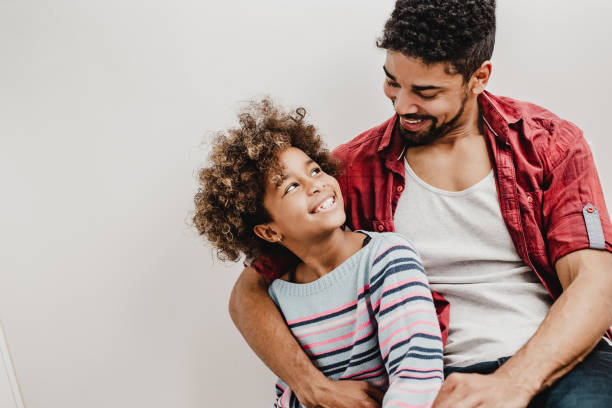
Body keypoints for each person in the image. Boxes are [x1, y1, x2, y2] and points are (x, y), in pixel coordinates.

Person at [229, 1, 612, 407]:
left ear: (478, 77)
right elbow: (248, 294)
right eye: (393, 82)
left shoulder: (549, 144)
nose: (402, 105)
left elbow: (596, 283)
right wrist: (311, 386)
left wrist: (514, 383)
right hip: (430, 381)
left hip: (559, 362)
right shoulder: (351, 171)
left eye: (425, 92)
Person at [193, 99, 444, 407]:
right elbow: (291, 397)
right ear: (269, 231)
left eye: (314, 170)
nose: (316, 185)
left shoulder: (387, 259)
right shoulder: (278, 299)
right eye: (290, 187)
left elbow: (417, 376)